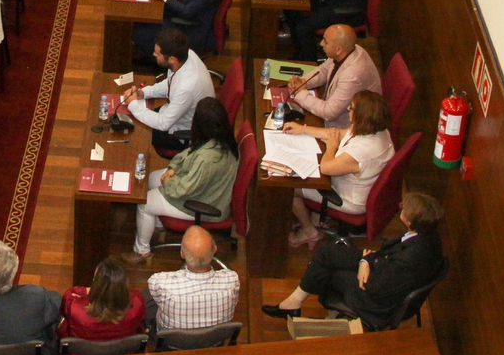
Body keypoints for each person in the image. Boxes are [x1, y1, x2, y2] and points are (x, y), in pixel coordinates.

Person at [263, 192, 444, 328]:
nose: (400, 205)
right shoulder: (428, 236)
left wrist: (364, 266)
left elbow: (375, 287)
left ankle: (306, 309)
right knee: (327, 252)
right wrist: (365, 261)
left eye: (405, 207)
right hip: (379, 268)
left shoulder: (409, 259)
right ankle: (293, 303)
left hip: (375, 300)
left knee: (328, 272)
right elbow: (386, 258)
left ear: (411, 221)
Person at [125, 98, 240, 263]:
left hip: (204, 203)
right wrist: (173, 168)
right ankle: (156, 224)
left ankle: (141, 252)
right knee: (151, 179)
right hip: (201, 187)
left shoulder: (208, 159)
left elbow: (186, 189)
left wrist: (168, 182)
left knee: (145, 203)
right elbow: (189, 153)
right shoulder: (220, 139)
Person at [284, 90, 396, 248]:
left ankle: (309, 232)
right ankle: (316, 220)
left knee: (288, 188)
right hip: (355, 184)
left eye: (351, 109)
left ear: (361, 116)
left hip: (347, 198)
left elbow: (326, 167)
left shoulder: (362, 152)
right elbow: (336, 133)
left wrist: (331, 147)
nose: (348, 110)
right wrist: (303, 129)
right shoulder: (376, 129)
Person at [118, 27, 216, 157]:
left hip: (183, 133)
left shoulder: (186, 87)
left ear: (172, 59)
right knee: (132, 117)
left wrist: (133, 104)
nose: (154, 55)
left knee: (133, 133)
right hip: (174, 114)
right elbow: (171, 83)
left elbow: (163, 123)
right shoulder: (186, 56)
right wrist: (144, 93)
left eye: (158, 54)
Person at [287, 25, 381, 130]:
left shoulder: (352, 76)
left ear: (338, 49)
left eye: (325, 41)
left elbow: (329, 112)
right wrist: (302, 82)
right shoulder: (347, 51)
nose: (321, 43)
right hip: (333, 113)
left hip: (347, 128)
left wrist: (301, 93)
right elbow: (323, 71)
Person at [146, 226, 239, 332]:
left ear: (182, 254)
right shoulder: (232, 280)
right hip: (215, 343)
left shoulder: (160, 282)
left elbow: (154, 291)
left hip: (172, 344)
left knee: (145, 298)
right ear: (215, 249)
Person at [60, 258, 145, 341]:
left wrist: (87, 291)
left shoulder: (74, 308)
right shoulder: (137, 303)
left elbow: (70, 293)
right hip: (125, 354)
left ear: (96, 285)